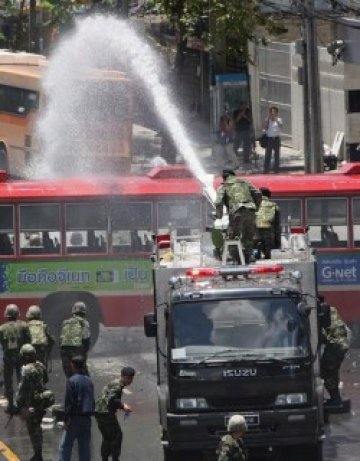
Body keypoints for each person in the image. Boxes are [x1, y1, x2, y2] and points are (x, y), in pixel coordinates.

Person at [15, 343, 53, 461]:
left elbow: (22, 388)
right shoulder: (40, 365)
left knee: (33, 429)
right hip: (42, 401)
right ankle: (38, 453)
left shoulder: (25, 369)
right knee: (37, 427)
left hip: (31, 402)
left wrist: (18, 403)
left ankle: (38, 454)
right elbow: (46, 379)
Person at [215, 169, 261, 264]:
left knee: (232, 238)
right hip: (251, 211)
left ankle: (238, 260)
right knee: (248, 237)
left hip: (237, 212)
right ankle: (247, 259)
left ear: (224, 177)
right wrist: (256, 207)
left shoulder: (224, 186)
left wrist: (219, 216)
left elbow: (218, 202)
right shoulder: (245, 182)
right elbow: (258, 194)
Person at [58, 355, 95, 461]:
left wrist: (66, 419)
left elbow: (69, 402)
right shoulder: (88, 380)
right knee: (84, 447)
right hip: (86, 418)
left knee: (65, 446)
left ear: (73, 365)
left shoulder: (72, 380)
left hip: (74, 418)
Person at [95, 366, 136, 461]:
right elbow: (112, 400)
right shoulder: (118, 386)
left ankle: (104, 458)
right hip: (106, 414)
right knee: (117, 436)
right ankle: (115, 458)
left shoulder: (114, 383)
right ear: (124, 377)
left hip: (99, 412)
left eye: (131, 378)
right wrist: (123, 406)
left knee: (107, 437)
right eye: (129, 378)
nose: (130, 381)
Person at [0, 303, 31, 414]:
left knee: (8, 382)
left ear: (6, 315)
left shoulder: (2, 328)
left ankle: (10, 405)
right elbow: (29, 342)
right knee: (21, 381)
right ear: (18, 314)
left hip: (8, 358)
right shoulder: (24, 326)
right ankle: (21, 404)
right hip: (21, 357)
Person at [319, 296, 351, 406]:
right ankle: (335, 398)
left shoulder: (321, 310)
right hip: (340, 343)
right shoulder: (330, 309)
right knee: (330, 371)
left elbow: (321, 333)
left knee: (327, 371)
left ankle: (336, 400)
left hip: (336, 344)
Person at [59, 301, 91, 377]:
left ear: (73, 311)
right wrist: (84, 353)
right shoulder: (84, 322)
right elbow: (86, 338)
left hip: (64, 352)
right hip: (77, 351)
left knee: (70, 377)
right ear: (84, 312)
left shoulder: (65, 322)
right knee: (84, 376)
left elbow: (61, 339)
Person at [26, 305, 55, 373]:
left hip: (28, 351)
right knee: (42, 368)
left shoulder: (26, 325)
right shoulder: (44, 325)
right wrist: (48, 350)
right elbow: (51, 340)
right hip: (41, 350)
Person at [255, 187, 281, 259]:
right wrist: (278, 242)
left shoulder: (253, 205)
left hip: (254, 232)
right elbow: (277, 225)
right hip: (268, 233)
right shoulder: (274, 206)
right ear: (269, 196)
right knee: (268, 254)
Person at [263, 106, 283, 174]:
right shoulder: (268, 119)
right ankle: (266, 169)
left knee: (276, 155)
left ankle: (276, 170)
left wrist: (276, 119)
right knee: (268, 154)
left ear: (277, 113)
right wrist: (268, 119)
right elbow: (265, 127)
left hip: (276, 139)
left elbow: (281, 126)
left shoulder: (279, 119)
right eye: (271, 112)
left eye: (274, 112)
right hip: (269, 139)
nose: (273, 113)